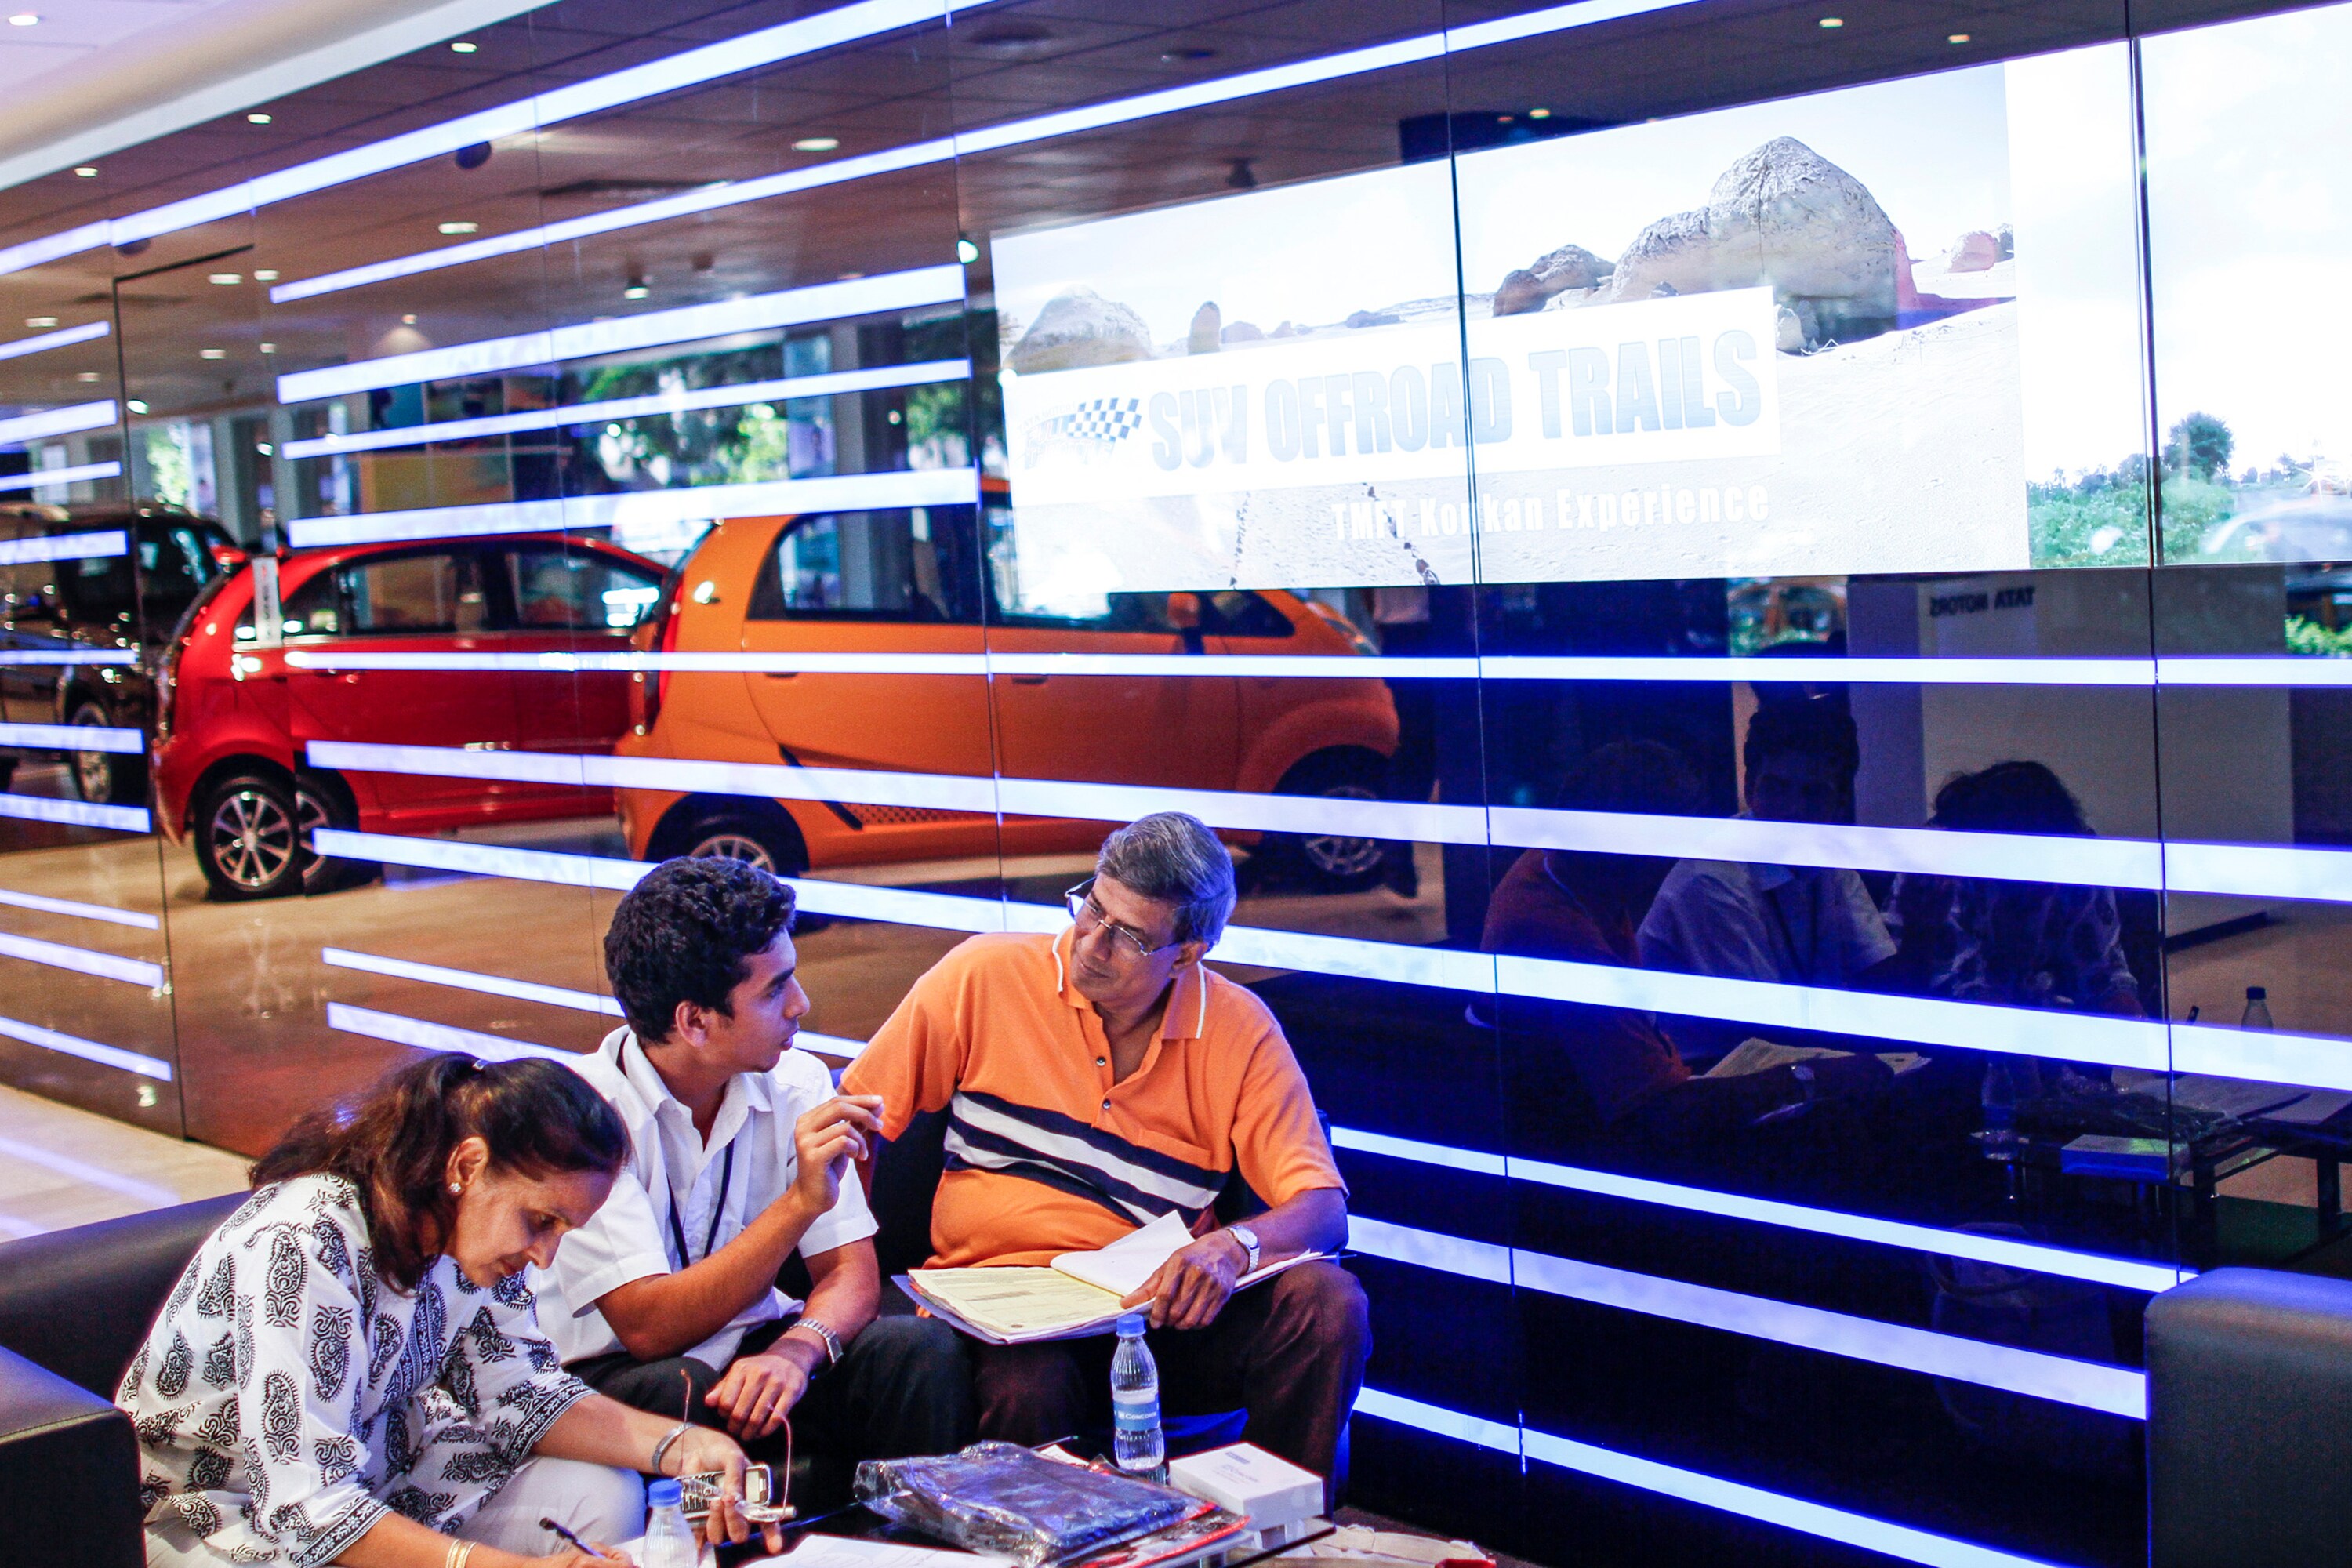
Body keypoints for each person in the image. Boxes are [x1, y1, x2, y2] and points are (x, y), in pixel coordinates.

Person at [844, 812, 1367, 1494]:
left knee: (1327, 1302)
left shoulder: (1239, 1031)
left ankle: (1275, 1526)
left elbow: (1324, 1211)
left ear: (1186, 953)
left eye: (1129, 936)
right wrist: (845, 1282)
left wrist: (1232, 1247)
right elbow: (852, 1125)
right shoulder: (983, 975)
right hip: (1006, 1313)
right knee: (1029, 1388)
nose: (1090, 942)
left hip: (1158, 1317)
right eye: (1092, 906)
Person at [120, 1052, 777, 1568]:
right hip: (220, 1514)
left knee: (604, 1495)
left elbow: (522, 1395)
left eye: (562, 1232)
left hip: (384, 1471)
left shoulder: (467, 1240)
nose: (544, 1256)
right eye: (541, 1221)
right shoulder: (305, 1242)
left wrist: (682, 1445)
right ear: (469, 1163)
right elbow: (306, 1505)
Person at [537, 855, 971, 1486]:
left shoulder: (795, 1077)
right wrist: (799, 1204)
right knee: (678, 1386)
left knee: (918, 1351)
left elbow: (852, 1273)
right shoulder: (583, 1113)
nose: (801, 1004)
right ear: (695, 1022)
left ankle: (912, 1546)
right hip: (618, 1376)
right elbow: (650, 1327)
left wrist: (797, 1351)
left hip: (754, 1347)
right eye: (774, 989)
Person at [1482, 742, 1887, 1147]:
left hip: (1596, 1118)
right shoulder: (1562, 935)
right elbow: (1660, 1113)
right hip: (1599, 1150)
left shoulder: (1556, 871)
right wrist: (1807, 1078)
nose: (1678, 862)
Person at [1638, 697, 1897, 1057]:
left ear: (1839, 804)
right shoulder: (1712, 878)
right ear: (1748, 788)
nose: (1792, 809)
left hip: (1783, 1069)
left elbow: (1877, 977)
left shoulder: (1827, 859)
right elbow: (1767, 1032)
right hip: (1709, 1079)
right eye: (1776, 787)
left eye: (1813, 793)